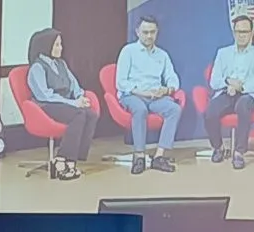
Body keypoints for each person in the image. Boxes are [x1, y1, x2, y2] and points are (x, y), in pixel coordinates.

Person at [26, 28, 98, 181]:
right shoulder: (37, 67)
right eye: (57, 45)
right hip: (46, 106)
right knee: (78, 114)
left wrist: (80, 97)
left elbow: (74, 84)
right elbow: (45, 95)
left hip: (65, 103)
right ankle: (61, 160)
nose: (61, 48)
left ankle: (72, 160)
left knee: (91, 114)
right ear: (46, 46)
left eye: (60, 44)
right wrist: (74, 103)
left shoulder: (61, 64)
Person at [114, 15, 183, 174]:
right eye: (145, 32)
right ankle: (139, 156)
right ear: (137, 32)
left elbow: (173, 78)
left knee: (174, 109)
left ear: (157, 32)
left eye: (152, 32)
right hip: (133, 95)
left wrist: (166, 90)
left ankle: (159, 156)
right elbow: (121, 82)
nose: (149, 36)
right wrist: (141, 91)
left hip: (155, 96)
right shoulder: (128, 51)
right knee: (140, 110)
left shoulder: (162, 55)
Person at [205, 15, 254, 170]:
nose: (241, 35)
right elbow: (214, 81)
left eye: (245, 32)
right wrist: (228, 82)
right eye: (238, 32)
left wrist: (242, 87)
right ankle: (218, 147)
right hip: (226, 92)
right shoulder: (223, 53)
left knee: (243, 106)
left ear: (251, 33)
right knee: (211, 111)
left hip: (248, 94)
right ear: (234, 33)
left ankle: (239, 152)